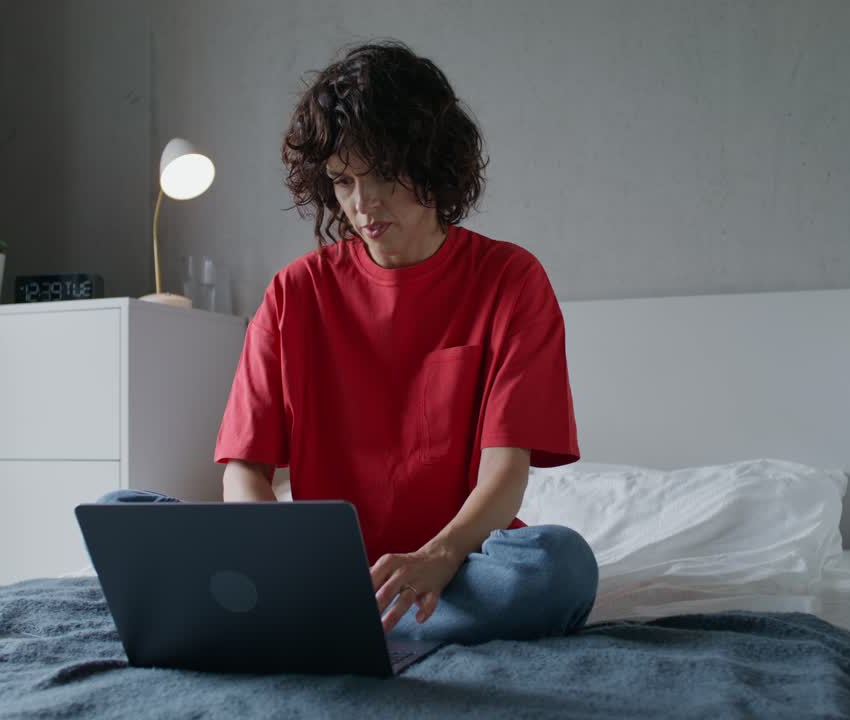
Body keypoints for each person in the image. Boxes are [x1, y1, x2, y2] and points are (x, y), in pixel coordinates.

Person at [104, 40, 597, 646]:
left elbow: (505, 473)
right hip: (317, 575)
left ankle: (347, 620)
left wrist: (435, 559)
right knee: (120, 510)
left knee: (558, 566)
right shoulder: (294, 292)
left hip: (457, 565)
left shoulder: (511, 281)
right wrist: (281, 563)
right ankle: (342, 612)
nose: (363, 205)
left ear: (435, 164)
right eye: (342, 181)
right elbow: (244, 472)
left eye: (383, 176)